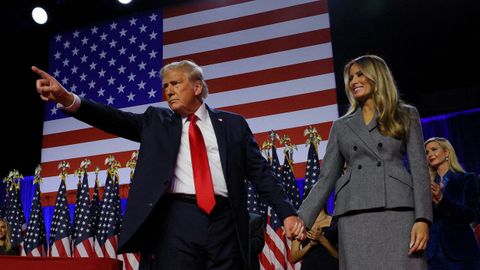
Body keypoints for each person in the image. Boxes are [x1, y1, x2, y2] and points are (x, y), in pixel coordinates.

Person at [32, 60, 305, 270]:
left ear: (197, 87)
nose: (168, 91)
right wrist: (68, 98)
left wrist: (288, 213)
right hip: (177, 220)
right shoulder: (156, 121)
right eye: (165, 86)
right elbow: (112, 118)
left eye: (175, 83)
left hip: (226, 222)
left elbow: (261, 174)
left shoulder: (233, 124)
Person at [298, 54, 432, 269]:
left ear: (376, 76)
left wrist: (423, 219)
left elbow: (419, 171)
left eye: (360, 74)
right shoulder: (341, 126)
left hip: (398, 211)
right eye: (350, 77)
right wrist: (301, 218)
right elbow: (326, 178)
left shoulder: (406, 114)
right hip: (354, 215)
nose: (353, 81)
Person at [424, 137, 480, 269]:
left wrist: (442, 200)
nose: (430, 154)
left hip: (461, 253)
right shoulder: (425, 186)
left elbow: (469, 215)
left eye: (434, 149)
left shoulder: (467, 179)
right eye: (426, 152)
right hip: (433, 255)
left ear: (447, 152)